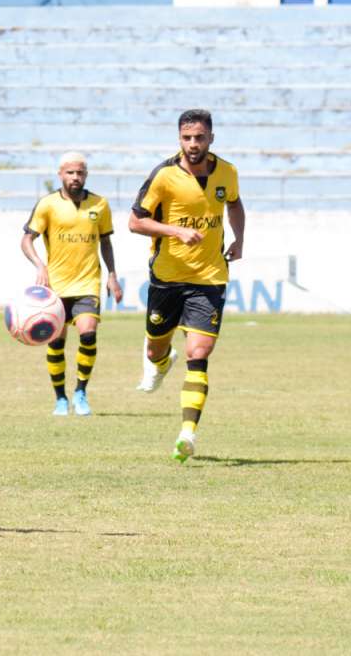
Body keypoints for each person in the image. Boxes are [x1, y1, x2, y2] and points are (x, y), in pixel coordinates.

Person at [128, 109, 246, 462]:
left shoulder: (227, 171)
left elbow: (235, 203)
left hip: (210, 277)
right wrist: (175, 230)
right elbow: (135, 222)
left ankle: (187, 434)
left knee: (200, 353)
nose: (193, 144)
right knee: (154, 350)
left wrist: (239, 238)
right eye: (187, 138)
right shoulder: (164, 175)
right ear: (179, 138)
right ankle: (161, 362)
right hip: (167, 277)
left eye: (199, 137)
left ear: (211, 137)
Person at [20, 153, 122, 417]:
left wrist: (112, 274)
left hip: (88, 282)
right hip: (56, 286)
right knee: (56, 343)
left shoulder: (100, 204)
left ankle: (81, 392)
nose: (75, 177)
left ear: (86, 175)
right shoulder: (47, 205)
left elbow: (106, 242)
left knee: (88, 333)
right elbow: (26, 240)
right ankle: (60, 398)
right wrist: (40, 265)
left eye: (80, 173)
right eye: (70, 173)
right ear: (60, 174)